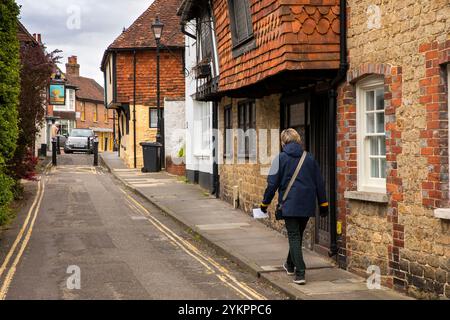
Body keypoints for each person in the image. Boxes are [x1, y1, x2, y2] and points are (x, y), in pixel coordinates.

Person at [260, 128, 329, 285]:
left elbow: (272, 184)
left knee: (294, 236)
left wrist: (264, 204)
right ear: (298, 140)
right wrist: (323, 204)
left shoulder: (280, 159)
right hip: (306, 205)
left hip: (289, 204)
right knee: (296, 235)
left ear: (283, 142)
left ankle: (301, 272)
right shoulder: (310, 158)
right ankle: (290, 265)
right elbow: (320, 183)